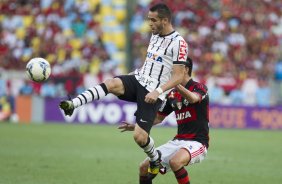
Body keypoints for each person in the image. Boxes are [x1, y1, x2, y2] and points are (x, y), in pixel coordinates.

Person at [59, 3, 189, 175]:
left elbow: (179, 76)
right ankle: (73, 104)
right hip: (138, 78)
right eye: (148, 19)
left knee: (140, 137)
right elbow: (151, 63)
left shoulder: (179, 43)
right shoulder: (155, 34)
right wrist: (129, 77)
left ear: (165, 20)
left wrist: (158, 92)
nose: (149, 23)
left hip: (153, 92)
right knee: (111, 83)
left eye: (153, 20)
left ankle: (155, 157)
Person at [118, 57, 209, 184]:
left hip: (197, 142)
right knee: (144, 167)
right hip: (177, 141)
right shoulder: (172, 94)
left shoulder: (199, 87)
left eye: (173, 70)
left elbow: (194, 99)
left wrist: (175, 83)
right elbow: (159, 118)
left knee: (175, 162)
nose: (170, 73)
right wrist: (136, 126)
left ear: (186, 69)